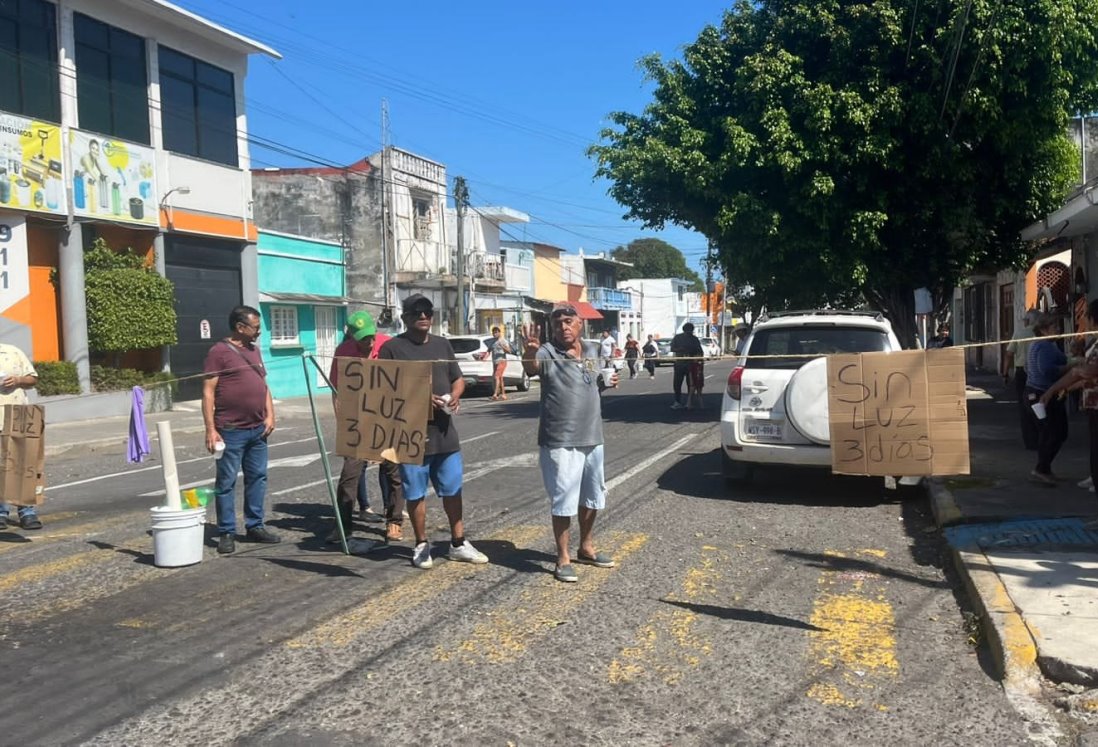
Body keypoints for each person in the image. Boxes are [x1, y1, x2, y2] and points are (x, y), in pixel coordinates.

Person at [378, 294, 488, 568]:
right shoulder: (392, 348)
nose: (423, 316)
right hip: (411, 436)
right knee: (414, 493)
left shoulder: (442, 345)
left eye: (428, 311)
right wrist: (420, 400)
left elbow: (458, 378)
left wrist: (455, 395)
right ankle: (421, 544)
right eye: (416, 312)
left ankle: (458, 542)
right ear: (405, 318)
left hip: (445, 433)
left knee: (453, 489)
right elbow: (384, 389)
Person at [521, 304, 617, 583]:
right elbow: (531, 368)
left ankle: (586, 546)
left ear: (580, 323)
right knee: (564, 499)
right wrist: (529, 350)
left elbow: (591, 380)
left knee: (593, 495)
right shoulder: (547, 351)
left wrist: (606, 382)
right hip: (560, 439)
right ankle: (562, 557)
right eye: (558, 322)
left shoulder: (591, 349)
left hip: (593, 435)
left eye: (569, 321)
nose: (564, 326)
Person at [202, 306, 280, 554]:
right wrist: (210, 429)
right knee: (226, 483)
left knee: (257, 477)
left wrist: (270, 415)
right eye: (255, 327)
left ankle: (255, 525)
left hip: (257, 429)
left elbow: (263, 384)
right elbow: (208, 391)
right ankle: (226, 532)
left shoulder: (254, 351)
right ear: (240, 327)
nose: (259, 331)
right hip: (231, 430)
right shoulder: (219, 352)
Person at [328, 310, 406, 544]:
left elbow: (407, 380)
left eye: (371, 335)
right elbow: (337, 389)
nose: (369, 341)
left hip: (388, 418)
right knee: (349, 475)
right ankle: (343, 526)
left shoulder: (389, 345)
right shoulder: (343, 352)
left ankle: (394, 521)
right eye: (362, 337)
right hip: (357, 421)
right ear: (351, 336)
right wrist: (343, 421)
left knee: (393, 471)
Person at [1040, 300, 1098, 502]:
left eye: (1086, 316)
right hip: (1092, 403)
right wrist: (1060, 387)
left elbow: (1089, 371)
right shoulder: (1093, 343)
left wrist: (1077, 371)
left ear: (1093, 319)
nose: (1084, 320)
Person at [0, 342, 41, 531]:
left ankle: (27, 511)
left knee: (23, 465)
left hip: (18, 416)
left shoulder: (13, 351)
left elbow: (33, 380)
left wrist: (17, 380)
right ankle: (1, 512)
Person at [1025, 313, 1068, 486]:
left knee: (1053, 432)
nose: (1058, 329)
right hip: (1041, 395)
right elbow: (1048, 371)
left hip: (1037, 393)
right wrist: (1070, 367)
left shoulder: (1046, 345)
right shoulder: (1044, 346)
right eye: (1054, 327)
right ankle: (1041, 468)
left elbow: (1030, 368)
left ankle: (1045, 468)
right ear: (1043, 330)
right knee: (1051, 432)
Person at [1002, 309, 1040, 451]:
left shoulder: (1020, 333)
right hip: (1038, 372)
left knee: (1024, 406)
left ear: (1028, 320)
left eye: (1025, 320)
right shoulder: (1041, 333)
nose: (1024, 322)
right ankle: (1041, 436)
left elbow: (1009, 354)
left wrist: (1005, 373)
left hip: (1022, 373)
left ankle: (1030, 442)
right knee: (1039, 403)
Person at [670, 322, 704, 410]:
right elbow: (672, 348)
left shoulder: (694, 339)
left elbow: (700, 352)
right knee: (677, 384)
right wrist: (680, 349)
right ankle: (677, 401)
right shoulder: (677, 337)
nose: (689, 333)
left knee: (691, 384)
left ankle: (689, 402)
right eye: (687, 331)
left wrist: (699, 362)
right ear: (684, 330)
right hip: (680, 363)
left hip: (691, 364)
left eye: (690, 331)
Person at [489, 325, 514, 401]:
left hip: (502, 361)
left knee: (496, 376)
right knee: (500, 378)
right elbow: (489, 350)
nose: (495, 334)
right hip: (495, 362)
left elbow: (509, 351)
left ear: (499, 332)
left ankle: (495, 394)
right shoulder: (492, 341)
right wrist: (483, 357)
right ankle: (503, 394)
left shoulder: (503, 340)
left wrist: (502, 346)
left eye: (496, 332)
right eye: (493, 333)